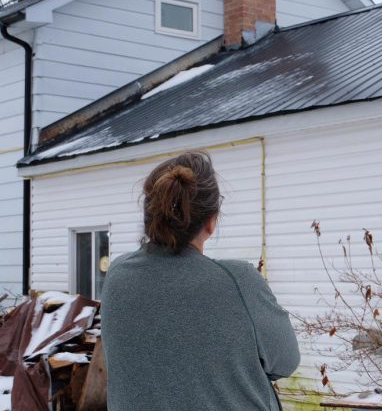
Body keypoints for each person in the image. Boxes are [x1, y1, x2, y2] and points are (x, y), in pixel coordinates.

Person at [101, 151, 300, 411]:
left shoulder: (118, 276)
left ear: (150, 216)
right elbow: (285, 361)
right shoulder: (238, 281)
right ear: (210, 222)